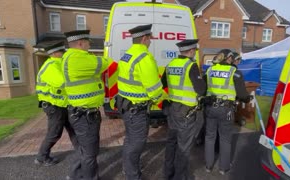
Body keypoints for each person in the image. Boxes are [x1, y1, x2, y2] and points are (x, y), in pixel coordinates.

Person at [116, 24, 163, 180]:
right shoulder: (144, 57)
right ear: (144, 38)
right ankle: (132, 175)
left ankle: (128, 166)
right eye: (150, 39)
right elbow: (154, 88)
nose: (150, 42)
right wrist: (161, 101)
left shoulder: (127, 54)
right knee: (136, 143)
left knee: (130, 139)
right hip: (137, 109)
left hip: (126, 104)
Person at [62, 30, 110, 180]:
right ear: (80, 43)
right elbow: (104, 63)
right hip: (85, 115)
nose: (90, 44)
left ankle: (75, 175)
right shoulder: (77, 59)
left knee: (84, 149)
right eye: (88, 42)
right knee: (90, 152)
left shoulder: (71, 57)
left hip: (81, 113)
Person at [161, 39, 206, 180]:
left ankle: (167, 174)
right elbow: (201, 90)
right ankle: (180, 177)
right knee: (184, 146)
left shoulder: (171, 64)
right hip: (186, 111)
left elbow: (163, 83)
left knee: (171, 143)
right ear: (191, 51)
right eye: (194, 51)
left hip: (173, 108)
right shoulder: (190, 65)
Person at [204, 49, 252, 175]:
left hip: (210, 107)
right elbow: (242, 94)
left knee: (209, 137)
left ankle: (208, 166)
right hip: (226, 108)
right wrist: (248, 98)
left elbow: (203, 88)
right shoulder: (234, 72)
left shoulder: (209, 70)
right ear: (229, 58)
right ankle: (223, 168)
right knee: (225, 139)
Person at [35, 41, 78, 166]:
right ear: (54, 53)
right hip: (54, 106)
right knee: (55, 133)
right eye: (62, 52)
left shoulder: (59, 64)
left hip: (63, 104)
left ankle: (82, 152)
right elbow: (63, 83)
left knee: (73, 129)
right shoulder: (50, 66)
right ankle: (41, 157)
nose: (64, 53)